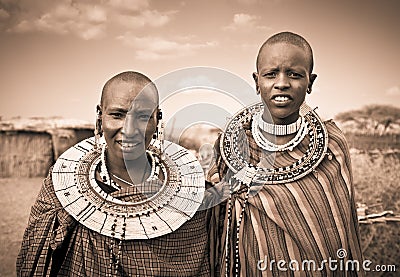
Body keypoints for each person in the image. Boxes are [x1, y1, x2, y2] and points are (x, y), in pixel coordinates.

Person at [17, 71, 214, 276]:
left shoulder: (191, 195)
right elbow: (36, 254)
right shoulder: (61, 185)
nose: (129, 129)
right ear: (100, 115)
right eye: (117, 115)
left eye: (142, 117)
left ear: (158, 119)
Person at [208, 32, 364, 276]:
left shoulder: (330, 145)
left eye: (294, 74)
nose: (282, 83)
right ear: (256, 81)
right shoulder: (231, 144)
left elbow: (337, 230)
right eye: (271, 74)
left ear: (310, 82)